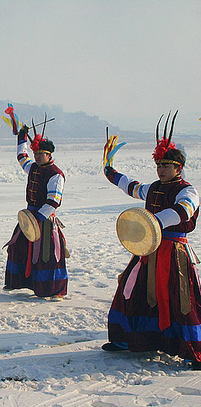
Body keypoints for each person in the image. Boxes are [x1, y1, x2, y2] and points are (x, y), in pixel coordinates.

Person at [102, 111, 201, 370]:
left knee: (179, 299)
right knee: (130, 288)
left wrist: (154, 223)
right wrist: (110, 172)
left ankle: (192, 350)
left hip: (173, 253)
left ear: (178, 168)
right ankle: (128, 339)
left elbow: (182, 212)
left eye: (165, 166)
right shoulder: (154, 187)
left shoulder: (188, 190)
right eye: (158, 165)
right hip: (148, 249)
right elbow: (132, 186)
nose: (160, 169)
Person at [2, 106, 68, 300]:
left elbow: (53, 202)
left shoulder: (56, 174)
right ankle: (22, 282)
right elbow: (21, 157)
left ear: (49, 155)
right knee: (19, 248)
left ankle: (54, 290)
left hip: (44, 219)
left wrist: (36, 219)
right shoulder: (32, 168)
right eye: (36, 153)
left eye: (41, 154)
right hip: (29, 216)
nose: (37, 156)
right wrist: (22, 137)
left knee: (47, 255)